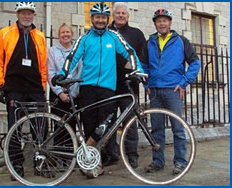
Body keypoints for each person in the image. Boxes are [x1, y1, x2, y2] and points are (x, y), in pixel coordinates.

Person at [52, 2, 143, 178]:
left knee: (106, 126)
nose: (100, 20)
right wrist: (62, 73)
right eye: (97, 17)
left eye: (103, 17)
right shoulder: (84, 38)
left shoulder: (114, 37)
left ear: (106, 19)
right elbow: (72, 56)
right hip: (87, 89)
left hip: (108, 89)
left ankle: (88, 157)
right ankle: (94, 164)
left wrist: (136, 69)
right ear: (92, 19)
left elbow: (129, 52)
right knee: (89, 126)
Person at [0, 2, 48, 180]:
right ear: (17, 15)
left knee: (40, 127)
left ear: (33, 15)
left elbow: (44, 64)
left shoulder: (39, 36)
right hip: (14, 89)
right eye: (23, 13)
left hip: (35, 88)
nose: (26, 16)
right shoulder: (5, 34)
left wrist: (43, 85)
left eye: (29, 13)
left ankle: (40, 162)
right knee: (14, 128)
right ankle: (16, 165)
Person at [142, 9, 201, 175]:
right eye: (158, 21)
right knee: (156, 129)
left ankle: (180, 162)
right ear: (155, 24)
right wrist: (147, 85)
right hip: (154, 91)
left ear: (170, 23)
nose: (162, 23)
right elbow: (144, 65)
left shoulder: (181, 41)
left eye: (164, 20)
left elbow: (195, 63)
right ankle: (157, 161)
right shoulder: (149, 42)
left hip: (173, 90)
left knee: (178, 128)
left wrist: (183, 83)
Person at [102, 2, 148, 168]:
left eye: (124, 13)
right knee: (109, 122)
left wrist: (134, 65)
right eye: (118, 13)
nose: (121, 15)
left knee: (130, 122)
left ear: (128, 16)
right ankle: (111, 154)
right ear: (113, 15)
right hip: (108, 85)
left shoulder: (136, 34)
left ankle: (132, 155)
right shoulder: (105, 33)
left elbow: (144, 56)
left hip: (129, 86)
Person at [47, 23, 81, 167]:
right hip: (58, 94)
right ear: (58, 34)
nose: (65, 34)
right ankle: (59, 157)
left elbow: (80, 71)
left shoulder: (77, 50)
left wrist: (72, 93)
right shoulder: (52, 51)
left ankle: (70, 158)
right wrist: (60, 93)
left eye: (68, 32)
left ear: (71, 34)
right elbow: (50, 73)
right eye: (62, 32)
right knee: (58, 126)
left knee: (72, 126)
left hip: (74, 93)